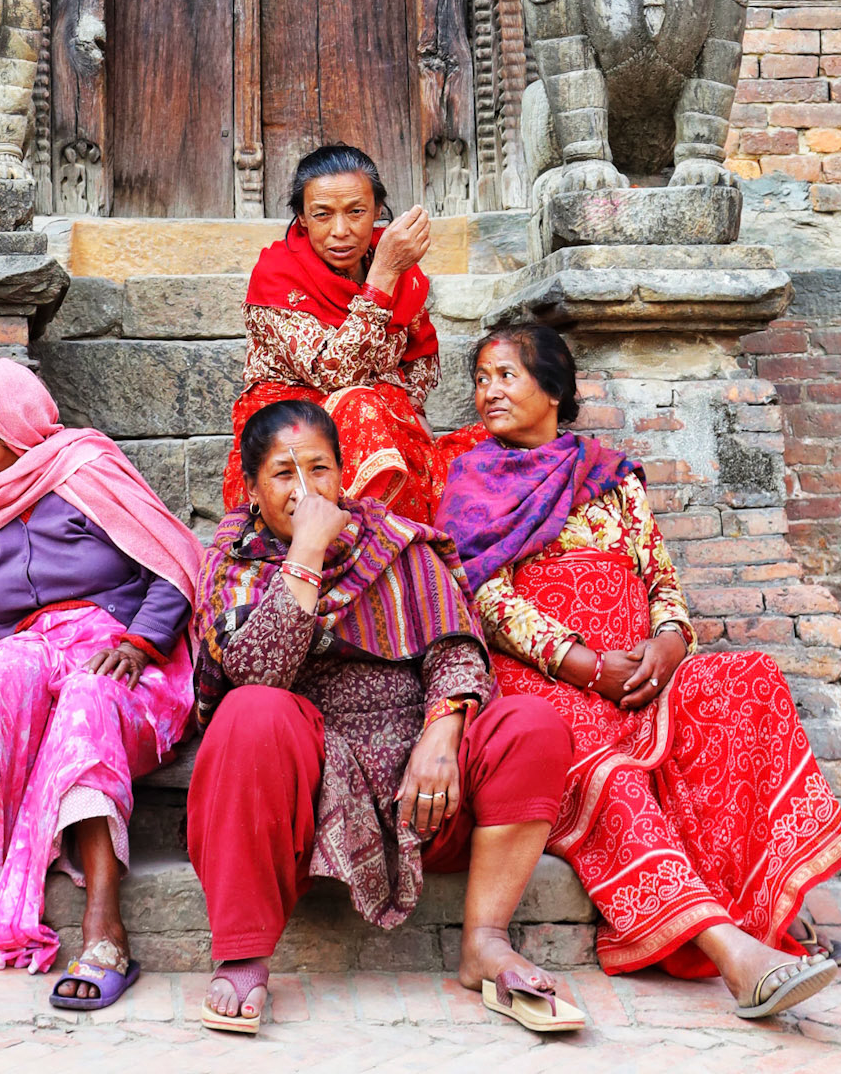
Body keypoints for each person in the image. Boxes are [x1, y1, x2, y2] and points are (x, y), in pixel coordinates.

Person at [438, 325, 841, 1022]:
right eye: (482, 379)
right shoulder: (473, 480)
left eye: (506, 376)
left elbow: (660, 576)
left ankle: (769, 904)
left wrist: (667, 643)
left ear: (553, 388)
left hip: (639, 671)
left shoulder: (611, 476)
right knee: (610, 773)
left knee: (747, 681)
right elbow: (484, 596)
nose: (490, 392)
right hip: (548, 680)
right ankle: (735, 954)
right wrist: (584, 665)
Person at [188, 397, 585, 1037]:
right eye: (284, 474)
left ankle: (485, 941)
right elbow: (260, 671)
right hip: (311, 784)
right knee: (249, 709)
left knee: (532, 726)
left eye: (319, 469)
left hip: (424, 789)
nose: (305, 489)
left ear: (342, 474)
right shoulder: (232, 564)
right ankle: (242, 954)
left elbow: (458, 650)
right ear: (252, 490)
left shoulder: (395, 543)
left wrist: (441, 732)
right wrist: (306, 553)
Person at [0, 359, 203, 1011]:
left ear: (1, 422)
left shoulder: (87, 471)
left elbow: (177, 565)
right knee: (3, 667)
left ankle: (105, 929)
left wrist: (138, 642)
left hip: (126, 664)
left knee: (87, 694)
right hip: (33, 671)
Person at [225, 143, 454, 524]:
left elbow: (419, 353)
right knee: (360, 404)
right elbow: (336, 373)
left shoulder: (398, 266)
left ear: (378, 211)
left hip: (382, 420)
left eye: (356, 212)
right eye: (322, 214)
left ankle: (397, 542)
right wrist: (382, 277)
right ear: (302, 218)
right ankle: (355, 539)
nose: (341, 231)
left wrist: (411, 408)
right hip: (295, 434)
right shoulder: (277, 274)